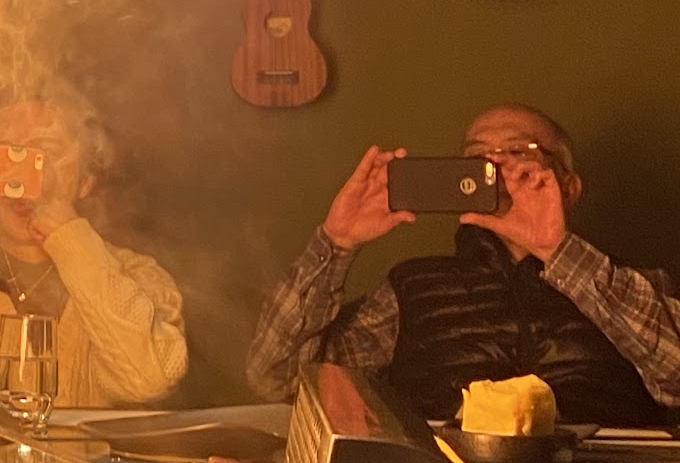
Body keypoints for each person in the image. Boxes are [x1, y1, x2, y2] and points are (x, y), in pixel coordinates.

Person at [246, 103, 680, 426]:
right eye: (478, 156)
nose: (495, 164)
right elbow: (278, 379)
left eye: (519, 151)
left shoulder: (633, 289)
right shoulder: (413, 287)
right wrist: (336, 242)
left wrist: (558, 250)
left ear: (568, 187)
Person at [0, 88, 188, 407]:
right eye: (6, 153)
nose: (25, 173)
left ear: (86, 180)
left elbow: (149, 381)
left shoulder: (138, 277)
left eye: (47, 151)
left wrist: (71, 240)